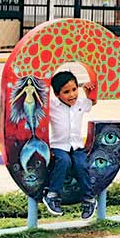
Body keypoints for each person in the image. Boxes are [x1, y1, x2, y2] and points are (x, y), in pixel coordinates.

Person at [44, 70, 98, 219]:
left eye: (74, 89)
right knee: (64, 161)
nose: (72, 95)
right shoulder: (51, 106)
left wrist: (88, 93)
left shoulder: (80, 103)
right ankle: (52, 195)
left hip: (77, 146)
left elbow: (92, 102)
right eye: (66, 92)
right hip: (59, 146)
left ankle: (89, 199)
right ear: (57, 94)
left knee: (81, 164)